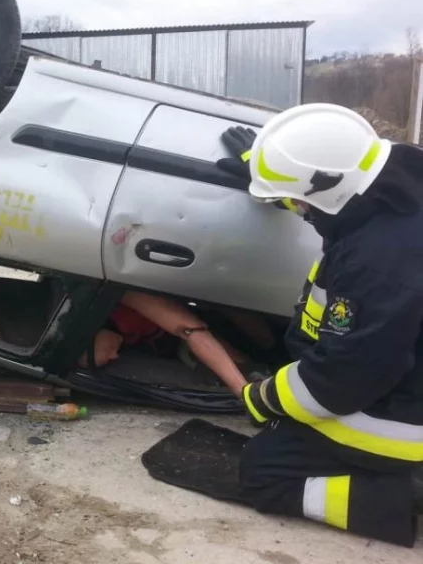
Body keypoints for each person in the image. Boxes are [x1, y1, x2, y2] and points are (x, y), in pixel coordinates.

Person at [216, 104, 423, 547]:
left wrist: (265, 399)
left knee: (263, 470)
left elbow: (342, 380)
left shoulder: (378, 261)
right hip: (398, 364)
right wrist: (271, 173)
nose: (295, 210)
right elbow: (331, 196)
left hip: (406, 414)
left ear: (328, 190)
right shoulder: (389, 189)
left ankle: (400, 495)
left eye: (296, 201)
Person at [78, 290, 261, 396]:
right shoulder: (116, 336)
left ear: (91, 334)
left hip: (199, 317)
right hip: (174, 342)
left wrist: (242, 391)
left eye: (106, 353)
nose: (115, 355)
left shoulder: (119, 300)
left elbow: (191, 330)